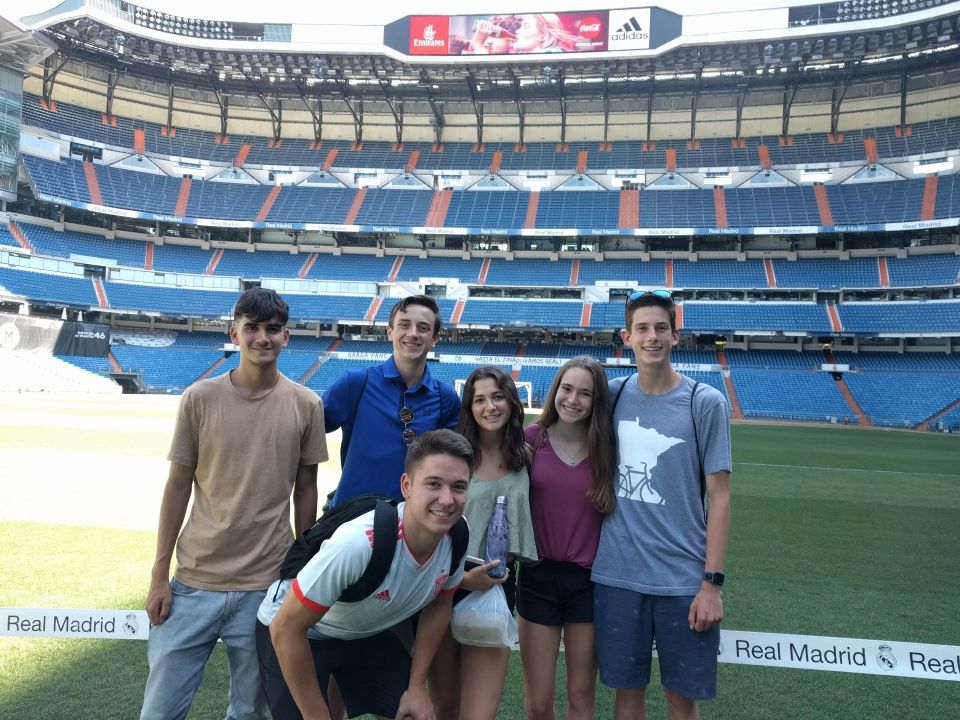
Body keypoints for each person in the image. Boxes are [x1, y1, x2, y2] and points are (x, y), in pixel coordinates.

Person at [140, 287, 328, 720]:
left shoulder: (306, 405)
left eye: (273, 329)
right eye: (252, 328)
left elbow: (307, 491)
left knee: (249, 713)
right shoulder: (199, 399)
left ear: (287, 337)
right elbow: (177, 487)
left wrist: (301, 572)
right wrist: (159, 575)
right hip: (192, 581)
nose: (262, 337)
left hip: (265, 586)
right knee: (160, 710)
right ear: (235, 333)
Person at [255, 429, 474, 720]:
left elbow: (439, 604)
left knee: (413, 713)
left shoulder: (457, 534)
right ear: (407, 486)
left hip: (364, 634)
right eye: (433, 484)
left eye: (458, 487)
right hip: (301, 632)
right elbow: (286, 628)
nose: (447, 500)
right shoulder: (358, 544)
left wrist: (416, 687)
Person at [591, 290, 732, 720]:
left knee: (680, 698)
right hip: (617, 575)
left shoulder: (703, 402)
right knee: (626, 692)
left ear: (675, 335)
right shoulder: (610, 395)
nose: (652, 337)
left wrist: (711, 584)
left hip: (682, 579)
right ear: (626, 337)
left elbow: (720, 497)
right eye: (642, 329)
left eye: (660, 328)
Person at [428, 366, 538, 720]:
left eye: (497, 396)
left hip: (497, 588)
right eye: (479, 400)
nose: (490, 406)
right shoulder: (453, 456)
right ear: (469, 407)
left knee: (479, 714)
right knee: (444, 705)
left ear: (511, 401)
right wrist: (459, 580)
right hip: (443, 586)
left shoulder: (526, 456)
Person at [517, 356, 614, 720]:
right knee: (539, 702)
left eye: (585, 393)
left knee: (581, 695)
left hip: (589, 583)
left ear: (597, 400)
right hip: (537, 576)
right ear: (555, 389)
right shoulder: (530, 438)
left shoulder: (609, 448)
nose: (573, 399)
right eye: (567, 389)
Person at [323, 294, 460, 505]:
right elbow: (304, 432)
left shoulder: (446, 398)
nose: (413, 334)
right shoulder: (355, 383)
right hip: (350, 521)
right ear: (390, 332)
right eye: (404, 325)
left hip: (412, 524)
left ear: (435, 338)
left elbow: (457, 461)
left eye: (423, 328)